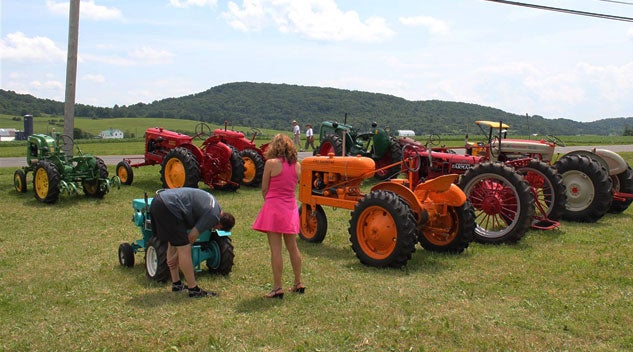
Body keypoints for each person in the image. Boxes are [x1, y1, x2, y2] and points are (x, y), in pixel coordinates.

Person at [150, 187, 235, 298]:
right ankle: (193, 290)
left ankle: (176, 284)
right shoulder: (213, 216)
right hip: (170, 206)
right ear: (220, 225)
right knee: (184, 249)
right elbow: (191, 237)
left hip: (158, 201)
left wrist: (175, 256)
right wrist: (176, 256)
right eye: (218, 228)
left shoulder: (215, 205)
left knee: (172, 241)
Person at [252, 133, 304, 299]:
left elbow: (264, 189)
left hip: (274, 208)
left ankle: (277, 287)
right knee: (293, 247)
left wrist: (269, 202)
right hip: (290, 208)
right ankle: (297, 282)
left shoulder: (271, 163)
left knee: (276, 250)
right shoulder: (297, 165)